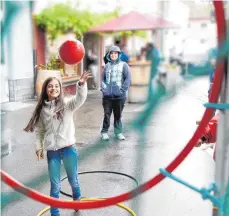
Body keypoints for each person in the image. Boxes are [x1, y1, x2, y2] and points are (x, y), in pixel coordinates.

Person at [24, 71, 90, 216]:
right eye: (50, 86)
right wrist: (39, 147)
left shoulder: (67, 104)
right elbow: (40, 131)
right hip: (52, 152)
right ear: (45, 89)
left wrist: (81, 84)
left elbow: (79, 99)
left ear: (60, 89)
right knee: (55, 185)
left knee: (73, 180)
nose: (53, 88)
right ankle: (55, 213)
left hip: (68, 150)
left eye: (56, 86)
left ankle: (77, 199)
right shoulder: (42, 109)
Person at [100, 45, 131, 141]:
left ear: (118, 54)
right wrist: (104, 90)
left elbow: (127, 79)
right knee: (107, 114)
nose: (113, 55)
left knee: (118, 115)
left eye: (115, 53)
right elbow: (102, 79)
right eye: (112, 53)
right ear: (109, 55)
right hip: (107, 97)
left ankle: (118, 132)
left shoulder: (124, 65)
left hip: (119, 97)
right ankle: (104, 132)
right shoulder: (106, 66)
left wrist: (122, 91)